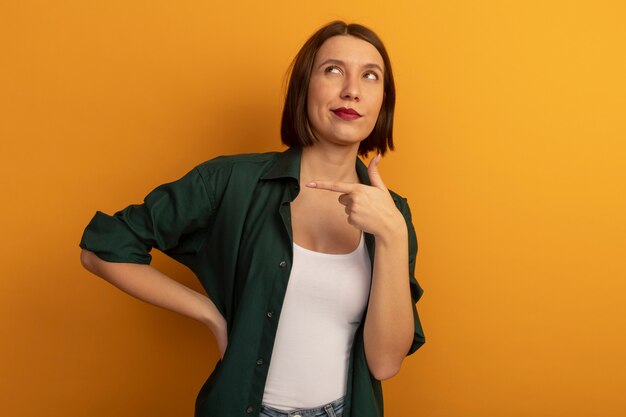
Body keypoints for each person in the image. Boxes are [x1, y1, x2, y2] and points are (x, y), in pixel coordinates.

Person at [79, 20, 425, 417]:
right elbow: (100, 249)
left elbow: (384, 363)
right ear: (303, 87)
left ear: (383, 100)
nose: (352, 89)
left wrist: (393, 236)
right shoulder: (232, 181)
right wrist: (208, 312)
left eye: (370, 76)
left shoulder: (392, 214)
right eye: (333, 70)